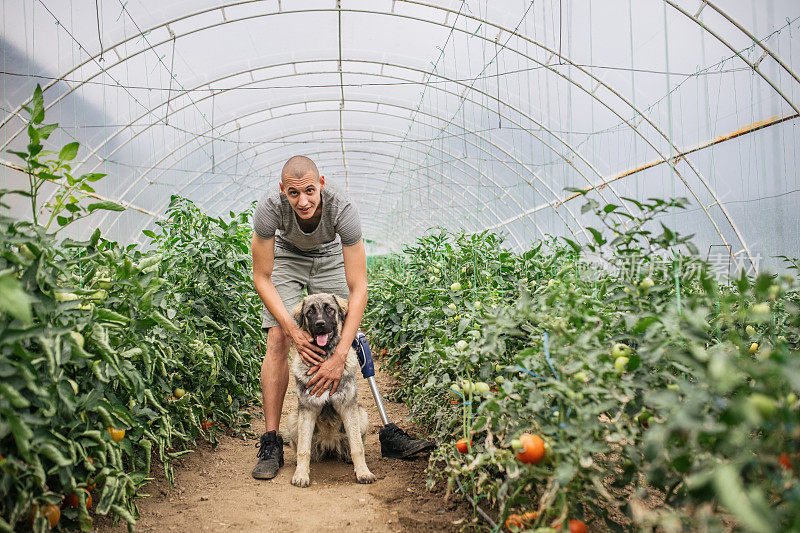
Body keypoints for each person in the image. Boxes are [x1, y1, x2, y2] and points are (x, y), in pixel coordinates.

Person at [250, 155, 434, 480]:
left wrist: (338, 355)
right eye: (294, 193)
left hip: (331, 254)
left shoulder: (343, 209)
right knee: (278, 335)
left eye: (309, 190)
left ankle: (387, 433)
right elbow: (262, 277)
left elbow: (358, 288)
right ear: (283, 191)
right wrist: (293, 329)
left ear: (321, 184)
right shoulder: (268, 210)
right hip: (288, 255)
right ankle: (272, 441)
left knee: (348, 331)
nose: (303, 201)